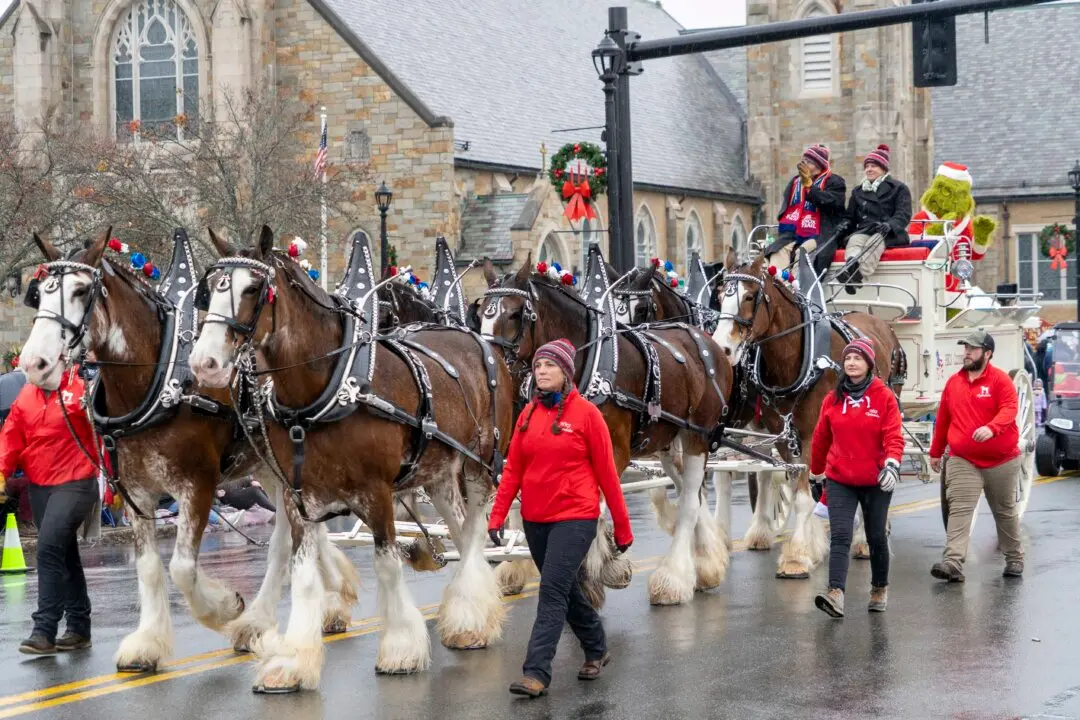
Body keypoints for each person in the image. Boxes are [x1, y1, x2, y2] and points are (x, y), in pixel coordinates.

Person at [488, 338, 633, 698]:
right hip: (536, 518)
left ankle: (536, 672)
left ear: (566, 373)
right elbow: (513, 472)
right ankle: (597, 646)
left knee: (551, 590)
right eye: (538, 366)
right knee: (565, 589)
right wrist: (497, 517)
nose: (542, 371)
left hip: (576, 517)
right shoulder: (528, 415)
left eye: (550, 366)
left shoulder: (587, 415)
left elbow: (608, 477)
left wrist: (623, 527)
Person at [0, 364, 100, 655]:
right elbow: (11, 437)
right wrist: (2, 472)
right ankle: (80, 629)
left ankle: (44, 630)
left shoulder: (80, 389)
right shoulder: (26, 397)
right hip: (41, 485)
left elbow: (104, 428)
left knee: (47, 549)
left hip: (77, 481)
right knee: (64, 554)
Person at [809, 338, 904, 618]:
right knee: (840, 536)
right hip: (841, 479)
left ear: (869, 364)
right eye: (848, 358)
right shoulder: (833, 398)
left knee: (876, 537)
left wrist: (892, 465)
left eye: (858, 358)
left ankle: (879, 588)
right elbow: (820, 439)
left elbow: (893, 436)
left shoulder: (883, 396)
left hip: (876, 480)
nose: (851, 363)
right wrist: (816, 473)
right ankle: (835, 594)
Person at [929, 330, 1023, 582]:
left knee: (1004, 510)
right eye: (965, 348)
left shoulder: (1000, 380)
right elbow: (943, 420)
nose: (966, 353)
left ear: (987, 353)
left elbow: (1010, 409)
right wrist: (936, 452)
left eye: (972, 348)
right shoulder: (954, 383)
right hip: (963, 458)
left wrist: (991, 427)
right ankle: (952, 562)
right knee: (960, 508)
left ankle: (1014, 557)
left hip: (1002, 459)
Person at [835, 144, 913, 293]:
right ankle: (850, 266)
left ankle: (858, 276)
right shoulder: (858, 191)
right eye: (867, 166)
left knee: (874, 241)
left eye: (874, 166)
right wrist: (843, 225)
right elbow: (850, 217)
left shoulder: (899, 188)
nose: (869, 169)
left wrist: (890, 225)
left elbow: (903, 214)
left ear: (883, 169)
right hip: (865, 229)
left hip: (890, 233)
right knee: (854, 240)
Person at [764, 144, 848, 278]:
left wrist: (810, 187)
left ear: (819, 164)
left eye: (809, 161)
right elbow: (787, 208)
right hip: (794, 231)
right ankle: (778, 285)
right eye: (803, 160)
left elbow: (832, 203)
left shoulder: (835, 182)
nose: (804, 164)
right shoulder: (795, 182)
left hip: (822, 232)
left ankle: (798, 290)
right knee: (777, 250)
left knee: (803, 251)